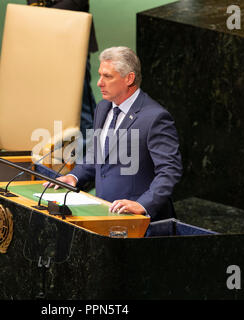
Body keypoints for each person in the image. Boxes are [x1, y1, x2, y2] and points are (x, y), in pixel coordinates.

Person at [50, 46, 183, 222]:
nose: (99, 83)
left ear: (129, 78)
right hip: (104, 214)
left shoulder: (155, 118)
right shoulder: (103, 108)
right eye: (100, 75)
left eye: (108, 76)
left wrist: (143, 204)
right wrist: (74, 176)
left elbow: (169, 170)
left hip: (140, 224)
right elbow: (97, 156)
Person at [27, 0, 98, 143]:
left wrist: (42, 15)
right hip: (45, 38)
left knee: (80, 102)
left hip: (73, 37)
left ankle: (94, 150)